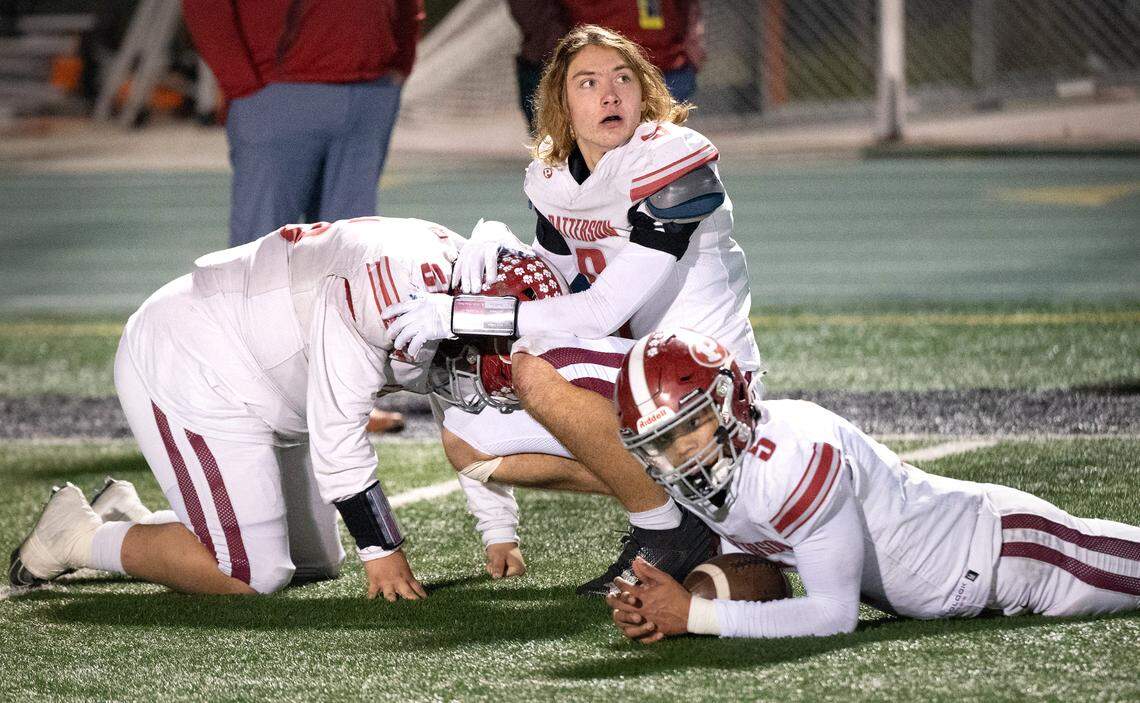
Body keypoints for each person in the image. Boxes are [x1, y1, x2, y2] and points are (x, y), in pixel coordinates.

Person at [387, 24, 759, 596]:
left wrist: (463, 314)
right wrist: (494, 254)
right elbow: (553, 278)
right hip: (633, 373)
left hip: (703, 382)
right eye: (588, 83)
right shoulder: (553, 179)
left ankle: (662, 529)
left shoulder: (673, 158)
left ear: (646, 91)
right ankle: (679, 503)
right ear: (562, 102)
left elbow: (600, 309)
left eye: (622, 79)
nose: (609, 95)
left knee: (537, 368)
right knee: (468, 438)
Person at [8, 217, 523, 599]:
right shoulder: (384, 294)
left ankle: (138, 522)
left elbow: (465, 416)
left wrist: (498, 529)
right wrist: (383, 551)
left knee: (315, 563)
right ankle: (75, 538)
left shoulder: (463, 284)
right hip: (197, 364)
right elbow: (338, 433)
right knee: (252, 573)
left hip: (272, 381)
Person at [605, 329, 1140, 642]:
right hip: (960, 583)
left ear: (729, 400)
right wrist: (661, 602)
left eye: (691, 426)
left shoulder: (796, 458)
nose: (681, 454)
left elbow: (833, 616)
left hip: (1013, 554)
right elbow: (753, 559)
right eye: (661, 442)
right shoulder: (703, 470)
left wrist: (696, 614)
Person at [181, 0, 424, 246]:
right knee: (262, 250)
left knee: (353, 251)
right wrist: (241, 80)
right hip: (277, 91)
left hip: (368, 92)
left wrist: (400, 62)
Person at [508, 1, 705, 130]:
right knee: (570, 171)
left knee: (654, 169)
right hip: (574, 72)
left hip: (667, 69)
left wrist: (691, 50)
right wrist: (564, 56)